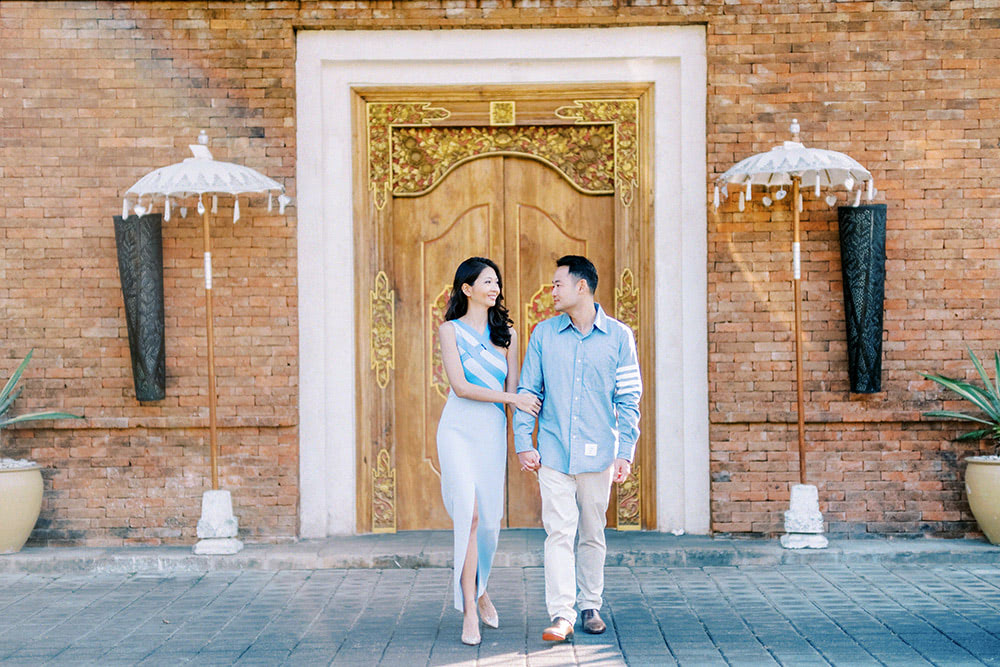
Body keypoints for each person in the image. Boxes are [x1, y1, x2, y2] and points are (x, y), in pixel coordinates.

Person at [513, 254, 642, 642]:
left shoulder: (620, 337)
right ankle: (562, 614)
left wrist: (625, 451)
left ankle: (591, 605)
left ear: (580, 286)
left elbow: (628, 398)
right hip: (552, 451)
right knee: (558, 532)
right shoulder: (543, 335)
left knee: (592, 531)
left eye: (557, 284)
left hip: (599, 452)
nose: (552, 291)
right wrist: (524, 442)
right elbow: (527, 391)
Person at [437, 257, 542, 646]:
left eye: (496, 281)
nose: (494, 287)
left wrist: (524, 441)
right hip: (458, 429)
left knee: (490, 522)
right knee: (470, 513)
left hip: (492, 433)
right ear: (467, 289)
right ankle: (469, 610)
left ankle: (481, 589)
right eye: (486, 281)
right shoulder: (450, 331)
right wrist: (512, 396)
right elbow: (462, 387)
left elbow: (516, 396)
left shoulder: (508, 335)